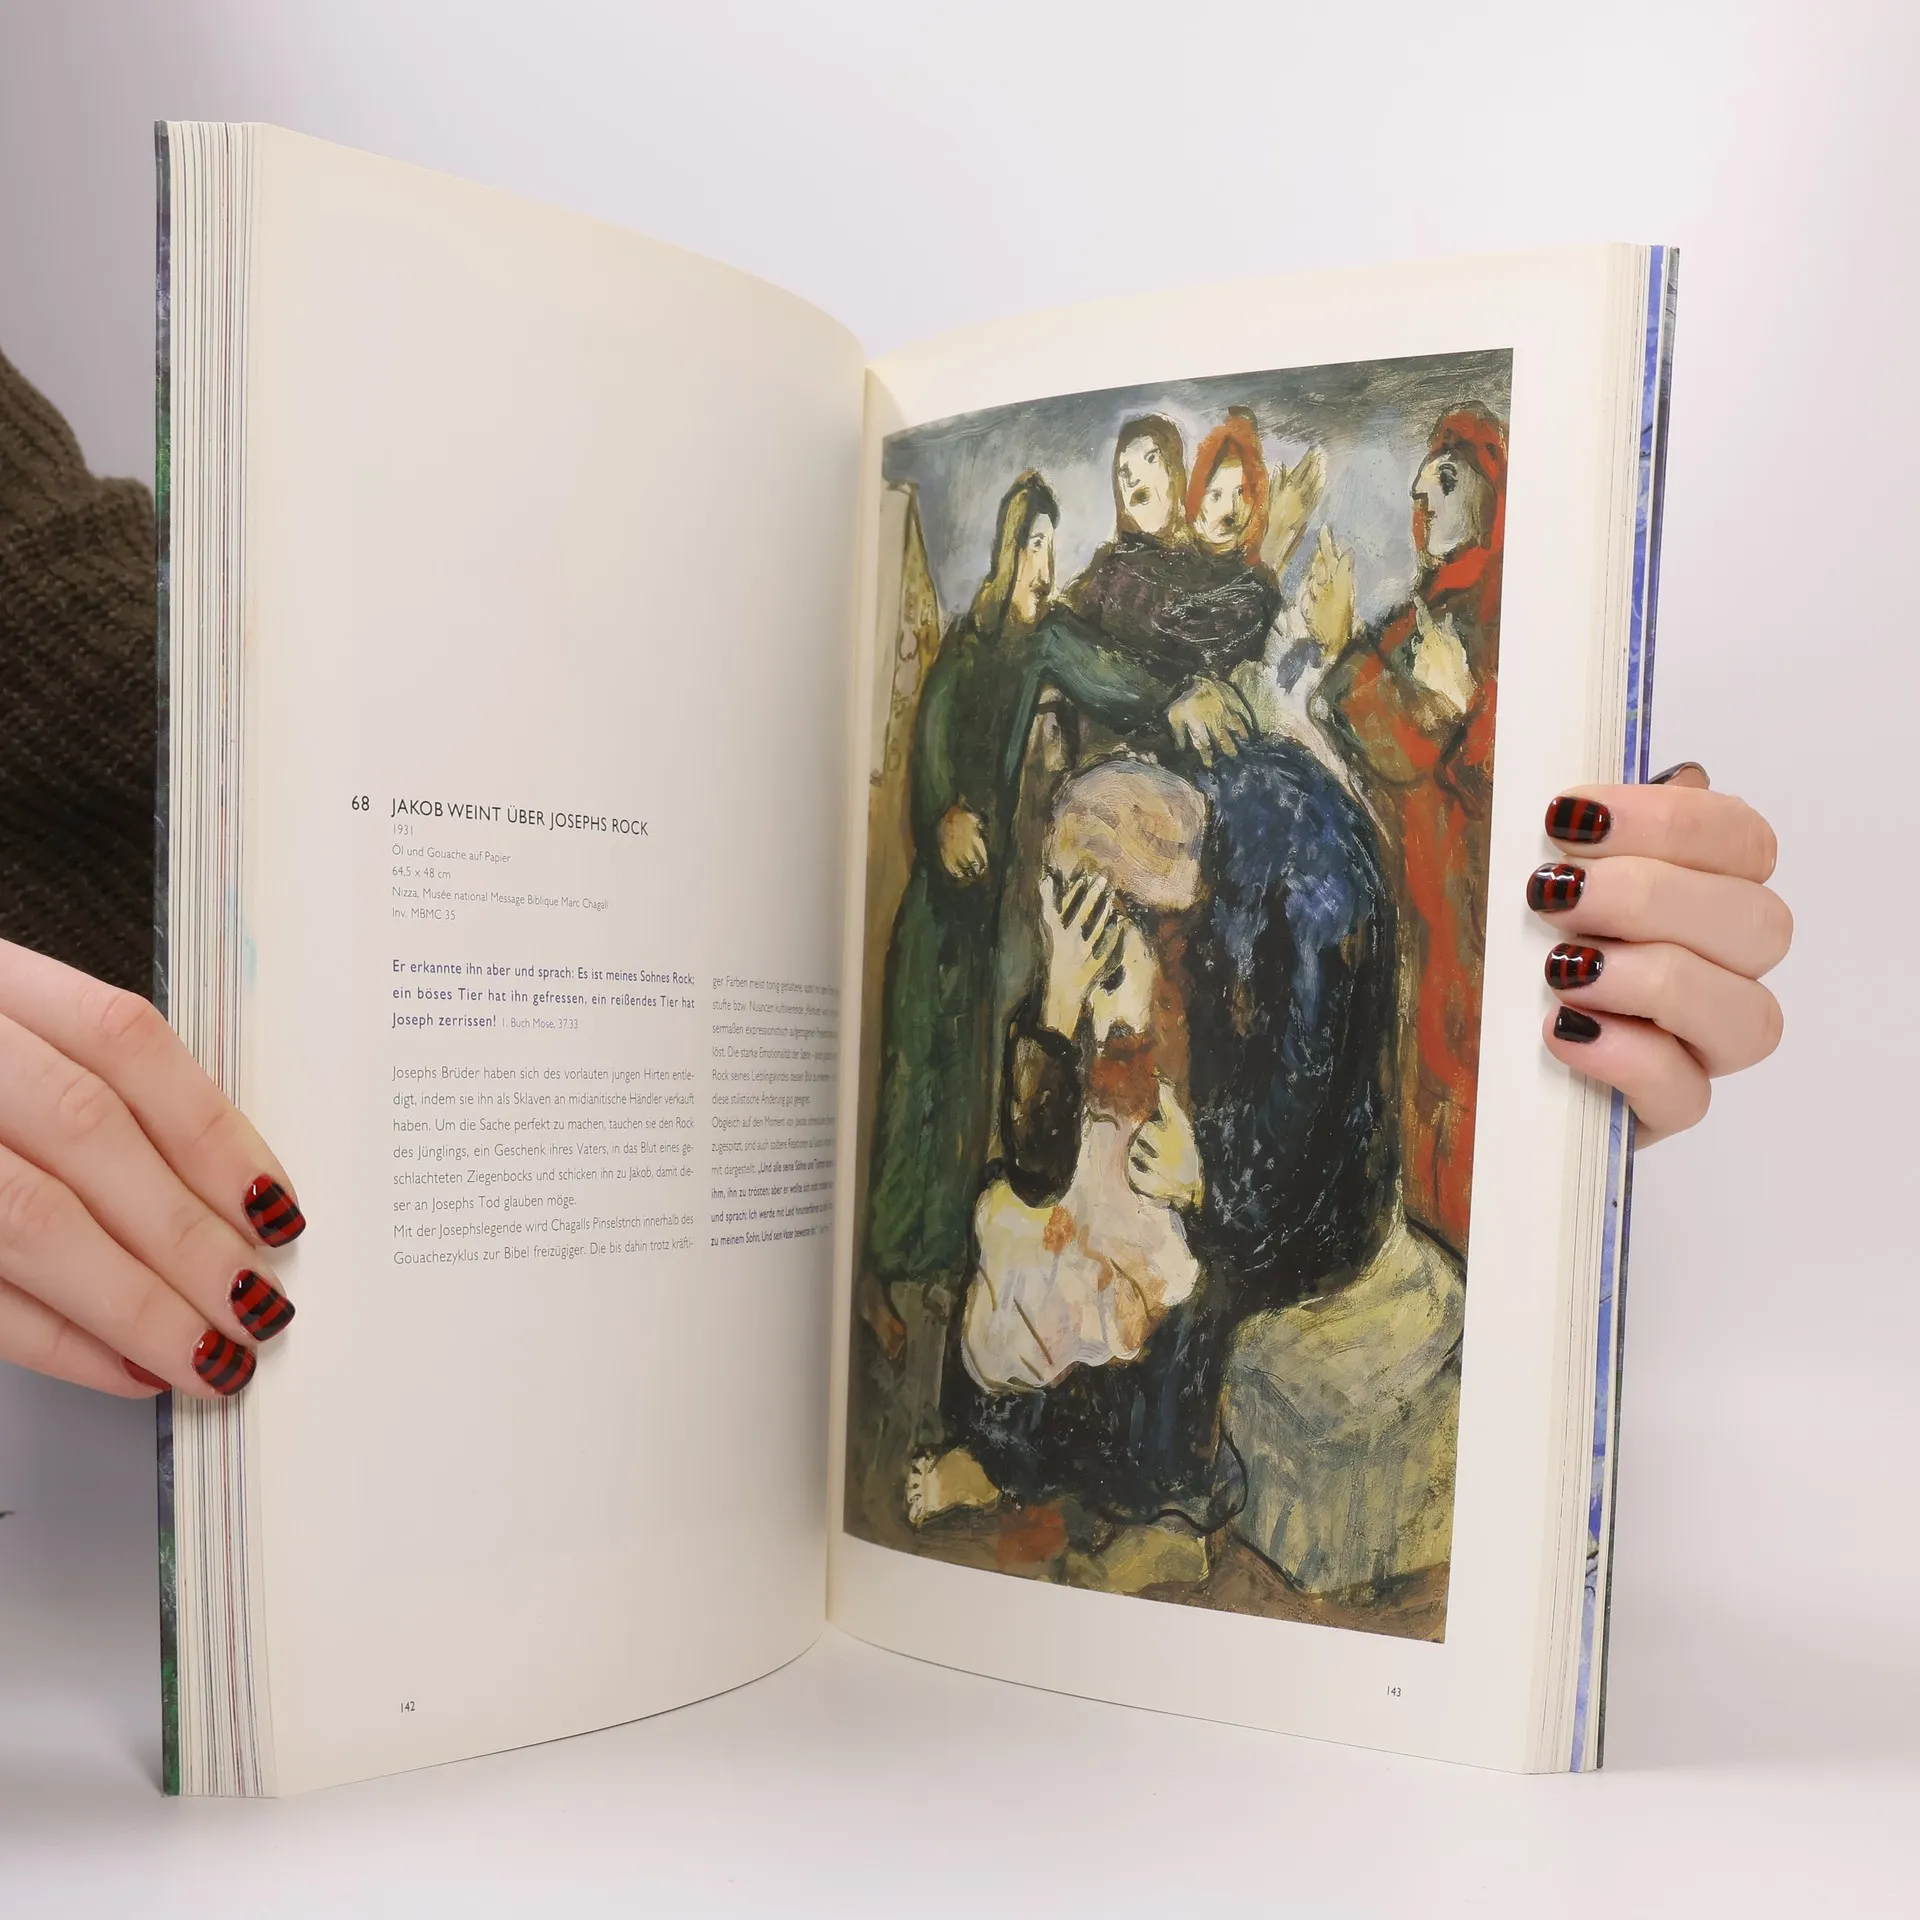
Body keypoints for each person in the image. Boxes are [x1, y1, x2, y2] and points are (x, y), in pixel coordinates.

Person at [0, 349, 1790, 1403]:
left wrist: (1524, 819)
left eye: (1186, 491)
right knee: (974, 1103)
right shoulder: (1027, 653)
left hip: (1182, 919)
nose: (1158, 520)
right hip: (935, 923)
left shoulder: (1249, 693)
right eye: (1095, 514)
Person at [913, 748, 1400, 1581]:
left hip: (1205, 1202)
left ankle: (1163, 1512)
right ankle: (1001, 1450)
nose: (1076, 926)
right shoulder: (1087, 965)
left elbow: (1264, 1137)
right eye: (1067, 905)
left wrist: (1197, 1173)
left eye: (1091, 907)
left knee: (1168, 1299)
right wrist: (1058, 1008)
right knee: (1011, 1236)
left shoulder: (1215, 968)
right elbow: (1035, 1163)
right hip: (1109, 1189)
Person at [860, 471, 1252, 1353]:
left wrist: (1176, 696)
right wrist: (942, 816)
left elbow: (1109, 676)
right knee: (915, 1079)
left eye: (1049, 546)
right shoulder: (968, 652)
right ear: (1008, 552)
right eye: (1030, 545)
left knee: (970, 1088)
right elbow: (931, 748)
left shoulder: (1044, 643)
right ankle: (882, 1269)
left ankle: (943, 1258)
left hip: (990, 913)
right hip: (938, 909)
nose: (1042, 564)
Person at [1318, 407, 1509, 1257]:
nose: (1424, 503)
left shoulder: (1499, 604)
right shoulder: (1423, 612)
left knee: (1466, 1068)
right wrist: (1343, 648)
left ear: (1491, 494)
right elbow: (1364, 720)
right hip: (1423, 898)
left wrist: (1463, 703)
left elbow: (1413, 743)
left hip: (1472, 897)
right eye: (1419, 490)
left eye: (1447, 482)